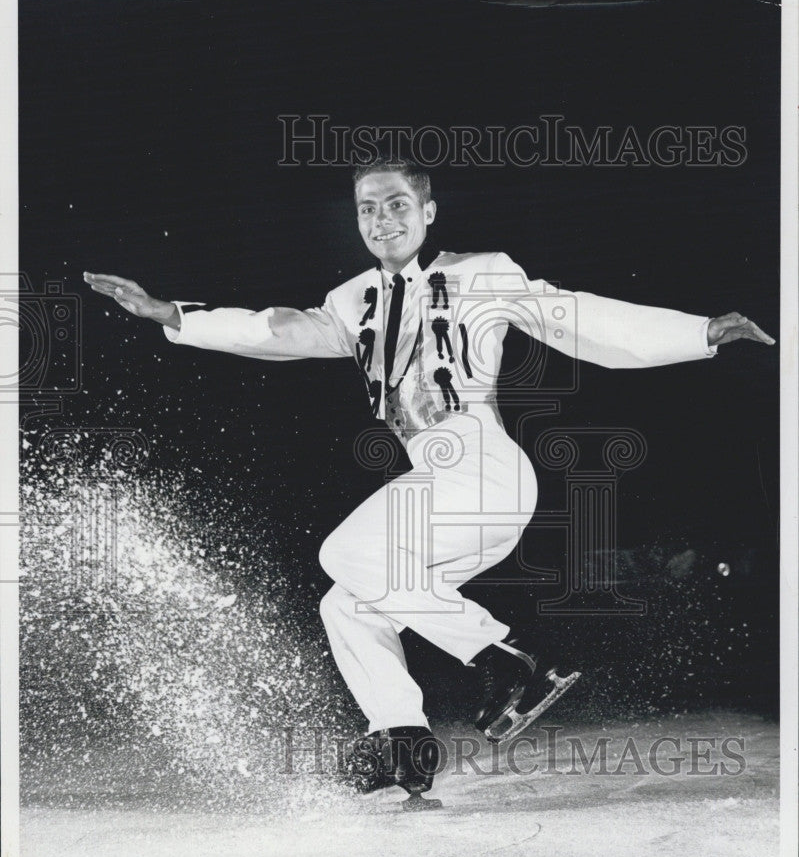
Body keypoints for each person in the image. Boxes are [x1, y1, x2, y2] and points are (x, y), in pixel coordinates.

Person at [84, 158, 775, 809]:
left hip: (482, 468)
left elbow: (577, 317)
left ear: (428, 210)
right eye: (366, 210)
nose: (381, 220)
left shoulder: (482, 274)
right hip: (442, 489)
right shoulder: (352, 301)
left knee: (344, 554)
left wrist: (697, 333)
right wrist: (174, 315)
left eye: (396, 205)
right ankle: (402, 741)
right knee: (348, 604)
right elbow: (278, 328)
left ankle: (509, 659)